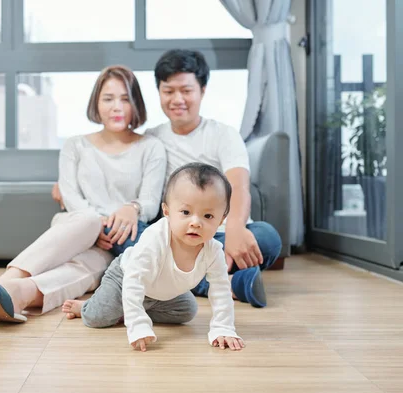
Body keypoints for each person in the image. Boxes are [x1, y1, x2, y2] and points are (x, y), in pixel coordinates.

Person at [53, 49, 282, 308]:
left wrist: (235, 229)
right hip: (173, 237)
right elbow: (123, 171)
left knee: (267, 237)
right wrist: (66, 183)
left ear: (202, 90)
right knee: (126, 232)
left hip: (219, 231)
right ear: (159, 92)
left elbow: (239, 186)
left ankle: (201, 274)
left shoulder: (223, 135)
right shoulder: (151, 139)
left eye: (186, 90)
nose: (177, 99)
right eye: (168, 91)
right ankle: (229, 282)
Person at [0, 65, 167, 325]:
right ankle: (5, 282)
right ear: (96, 103)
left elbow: (151, 203)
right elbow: (71, 198)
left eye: (125, 99)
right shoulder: (75, 145)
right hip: (75, 228)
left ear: (136, 104)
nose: (117, 107)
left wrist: (133, 208)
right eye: (108, 99)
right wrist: (98, 225)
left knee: (91, 267)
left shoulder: (151, 147)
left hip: (114, 243)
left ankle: (17, 295)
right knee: (88, 219)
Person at [62, 163, 244, 352]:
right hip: (126, 277)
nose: (195, 222)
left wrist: (223, 328)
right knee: (97, 318)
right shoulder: (155, 238)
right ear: (167, 211)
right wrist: (138, 325)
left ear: (221, 220)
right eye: (185, 212)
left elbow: (221, 289)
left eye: (208, 215)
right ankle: (88, 306)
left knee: (187, 311)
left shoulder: (213, 250)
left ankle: (133, 306)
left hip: (161, 292)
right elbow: (134, 280)